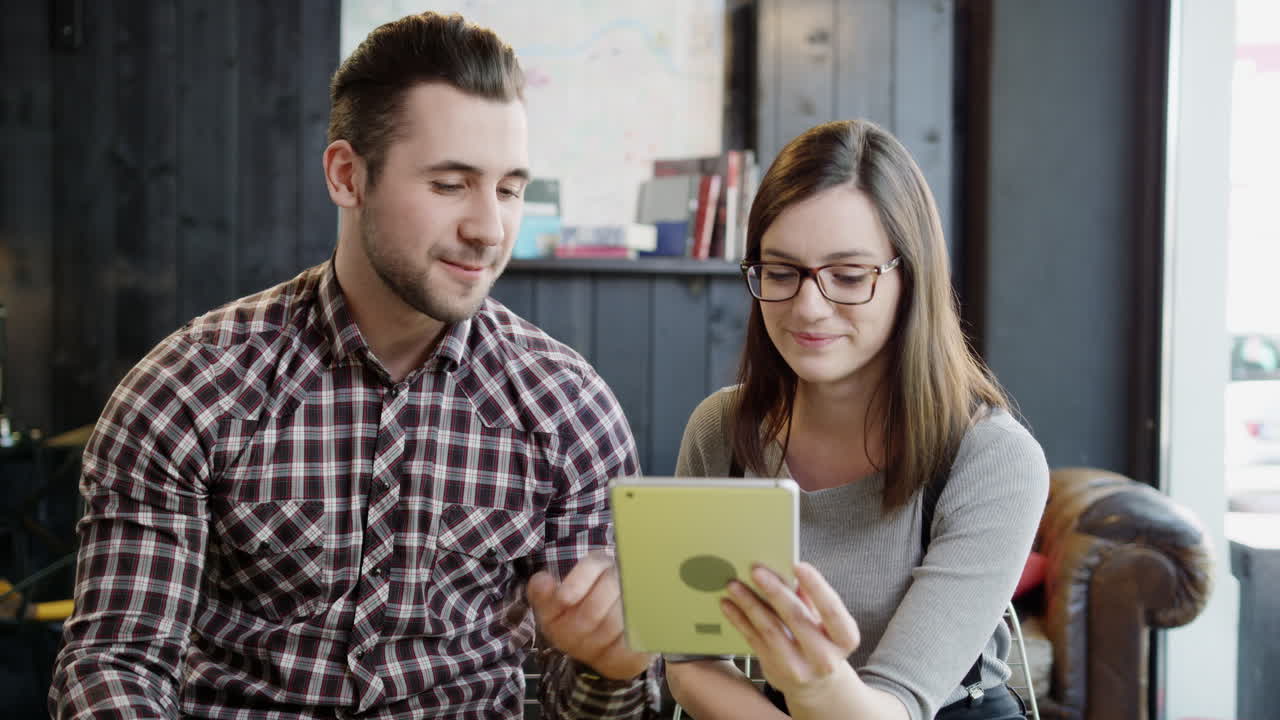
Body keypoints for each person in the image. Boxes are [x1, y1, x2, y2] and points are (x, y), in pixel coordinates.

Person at [48, 12, 660, 720]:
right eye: (450, 184)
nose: (489, 228)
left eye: (510, 188)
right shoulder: (190, 388)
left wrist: (609, 672)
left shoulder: (567, 409)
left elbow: (593, 705)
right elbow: (115, 663)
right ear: (347, 175)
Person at [664, 119, 1049, 720]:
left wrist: (816, 686)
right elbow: (690, 661)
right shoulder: (722, 430)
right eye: (782, 271)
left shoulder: (992, 458)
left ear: (910, 279)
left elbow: (895, 704)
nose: (808, 307)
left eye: (848, 276)